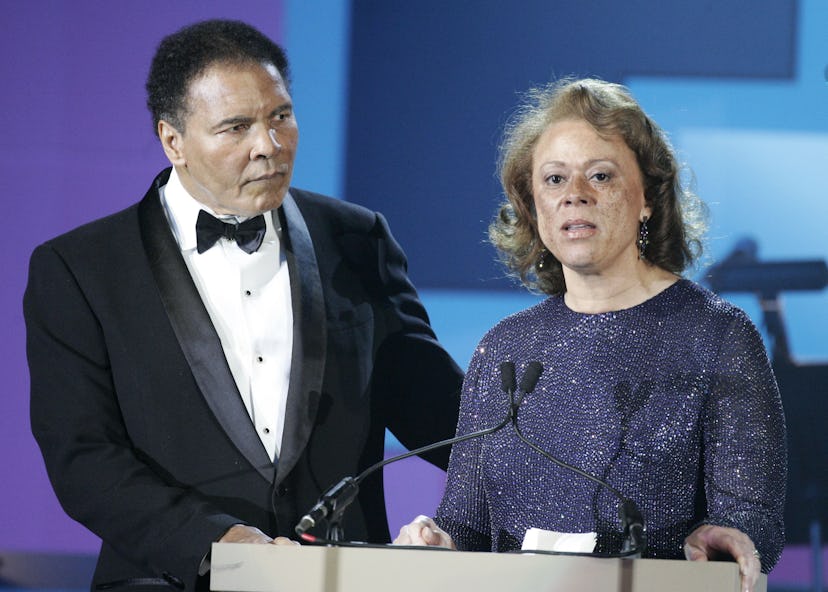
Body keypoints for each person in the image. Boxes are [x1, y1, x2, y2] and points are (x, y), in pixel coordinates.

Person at [24, 19, 463, 592]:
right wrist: (218, 541)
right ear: (172, 140)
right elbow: (83, 457)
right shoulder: (81, 268)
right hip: (171, 580)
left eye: (280, 116)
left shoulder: (358, 239)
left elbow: (436, 409)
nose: (269, 146)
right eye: (236, 127)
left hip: (341, 577)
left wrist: (554, 476)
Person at [393, 78, 786, 592]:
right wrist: (438, 541)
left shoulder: (717, 337)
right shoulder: (504, 349)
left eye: (599, 175)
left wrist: (726, 538)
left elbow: (752, 519)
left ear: (647, 196)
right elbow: (467, 522)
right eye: (554, 180)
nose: (574, 195)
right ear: (532, 207)